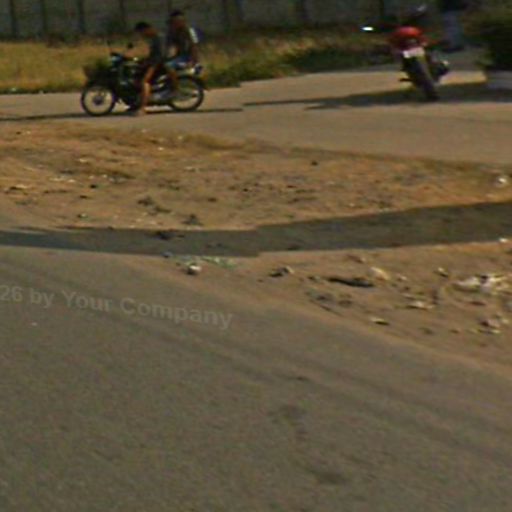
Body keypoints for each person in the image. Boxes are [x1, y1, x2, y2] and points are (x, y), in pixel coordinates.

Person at [133, 21, 165, 116]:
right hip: (154, 63)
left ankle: (143, 108)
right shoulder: (154, 39)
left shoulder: (159, 38)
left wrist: (150, 64)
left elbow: (159, 56)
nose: (142, 35)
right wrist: (143, 61)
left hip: (158, 64)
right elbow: (152, 54)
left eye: (141, 32)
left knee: (145, 81)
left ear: (146, 29)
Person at [164, 10, 200, 93]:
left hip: (187, 57)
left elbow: (194, 46)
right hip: (179, 56)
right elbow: (169, 47)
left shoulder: (189, 31)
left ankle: (176, 89)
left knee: (168, 66)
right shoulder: (172, 32)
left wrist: (193, 61)